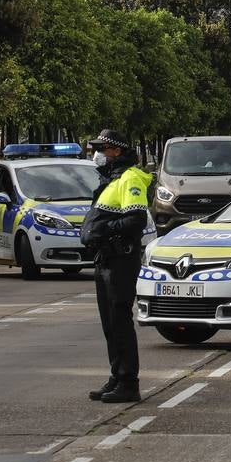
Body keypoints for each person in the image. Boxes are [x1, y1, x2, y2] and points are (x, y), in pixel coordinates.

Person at [79, 130, 153, 403]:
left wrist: (104, 231)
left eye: (103, 149)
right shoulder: (112, 179)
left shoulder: (131, 177)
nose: (98, 154)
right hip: (106, 259)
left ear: (117, 152)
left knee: (120, 322)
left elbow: (136, 221)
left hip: (121, 259)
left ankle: (128, 383)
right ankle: (116, 377)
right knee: (110, 324)